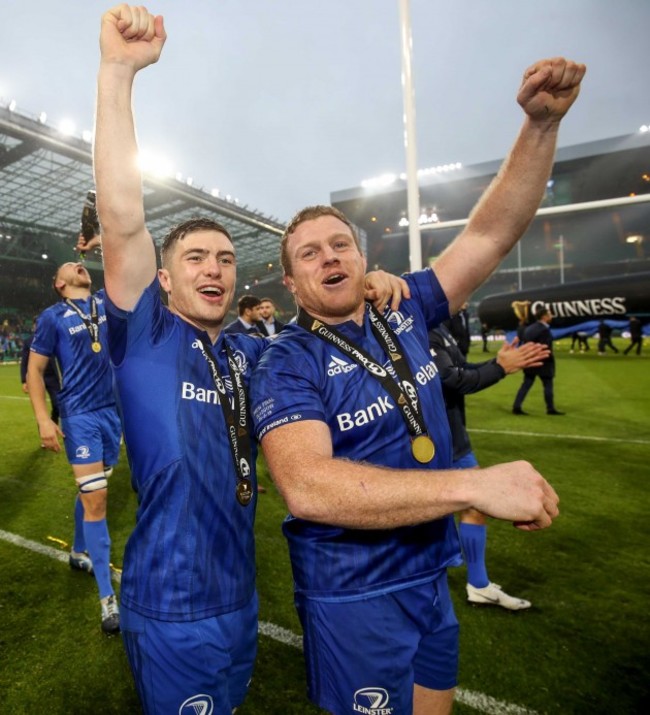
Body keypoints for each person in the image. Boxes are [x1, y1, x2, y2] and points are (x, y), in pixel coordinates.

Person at [92, 6, 405, 712]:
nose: (215, 269)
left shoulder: (243, 349)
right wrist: (117, 74)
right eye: (196, 258)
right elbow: (121, 217)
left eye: (227, 260)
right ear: (165, 280)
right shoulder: (147, 336)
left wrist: (370, 284)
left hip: (240, 599)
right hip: (171, 606)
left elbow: (319, 325)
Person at [252, 54, 584, 715]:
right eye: (310, 254)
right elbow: (308, 485)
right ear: (291, 283)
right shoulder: (286, 361)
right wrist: (471, 484)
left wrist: (540, 127)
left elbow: (489, 233)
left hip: (428, 573)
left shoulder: (403, 305)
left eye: (340, 243)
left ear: (363, 256)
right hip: (354, 593)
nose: (330, 257)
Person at [26, 255, 122, 635]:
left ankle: (78, 551)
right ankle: (106, 599)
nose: (76, 265)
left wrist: (99, 243)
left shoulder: (105, 301)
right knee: (97, 501)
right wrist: (42, 419)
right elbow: (35, 369)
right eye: (68, 266)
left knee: (94, 490)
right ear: (59, 283)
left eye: (79, 262)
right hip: (79, 415)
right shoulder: (52, 317)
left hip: (111, 414)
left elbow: (123, 263)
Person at [429, 323, 550, 610]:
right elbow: (450, 379)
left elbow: (460, 368)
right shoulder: (422, 327)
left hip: (453, 432)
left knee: (472, 507)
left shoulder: (439, 327)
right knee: (434, 512)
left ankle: (478, 585)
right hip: (438, 436)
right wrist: (499, 367)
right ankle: (468, 584)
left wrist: (499, 363)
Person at [512, 307, 564, 415]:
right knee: (548, 385)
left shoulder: (530, 328)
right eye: (549, 314)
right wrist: (549, 359)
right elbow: (546, 348)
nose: (551, 316)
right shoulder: (544, 330)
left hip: (530, 361)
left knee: (526, 384)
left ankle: (516, 406)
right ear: (544, 316)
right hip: (543, 362)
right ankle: (550, 408)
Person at [21, 318, 61, 425]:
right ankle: (45, 438)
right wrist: (24, 381)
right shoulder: (28, 342)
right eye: (36, 325)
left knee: (57, 404)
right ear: (33, 327)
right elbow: (24, 362)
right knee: (40, 409)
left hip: (52, 377)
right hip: (36, 377)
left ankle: (54, 418)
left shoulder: (53, 338)